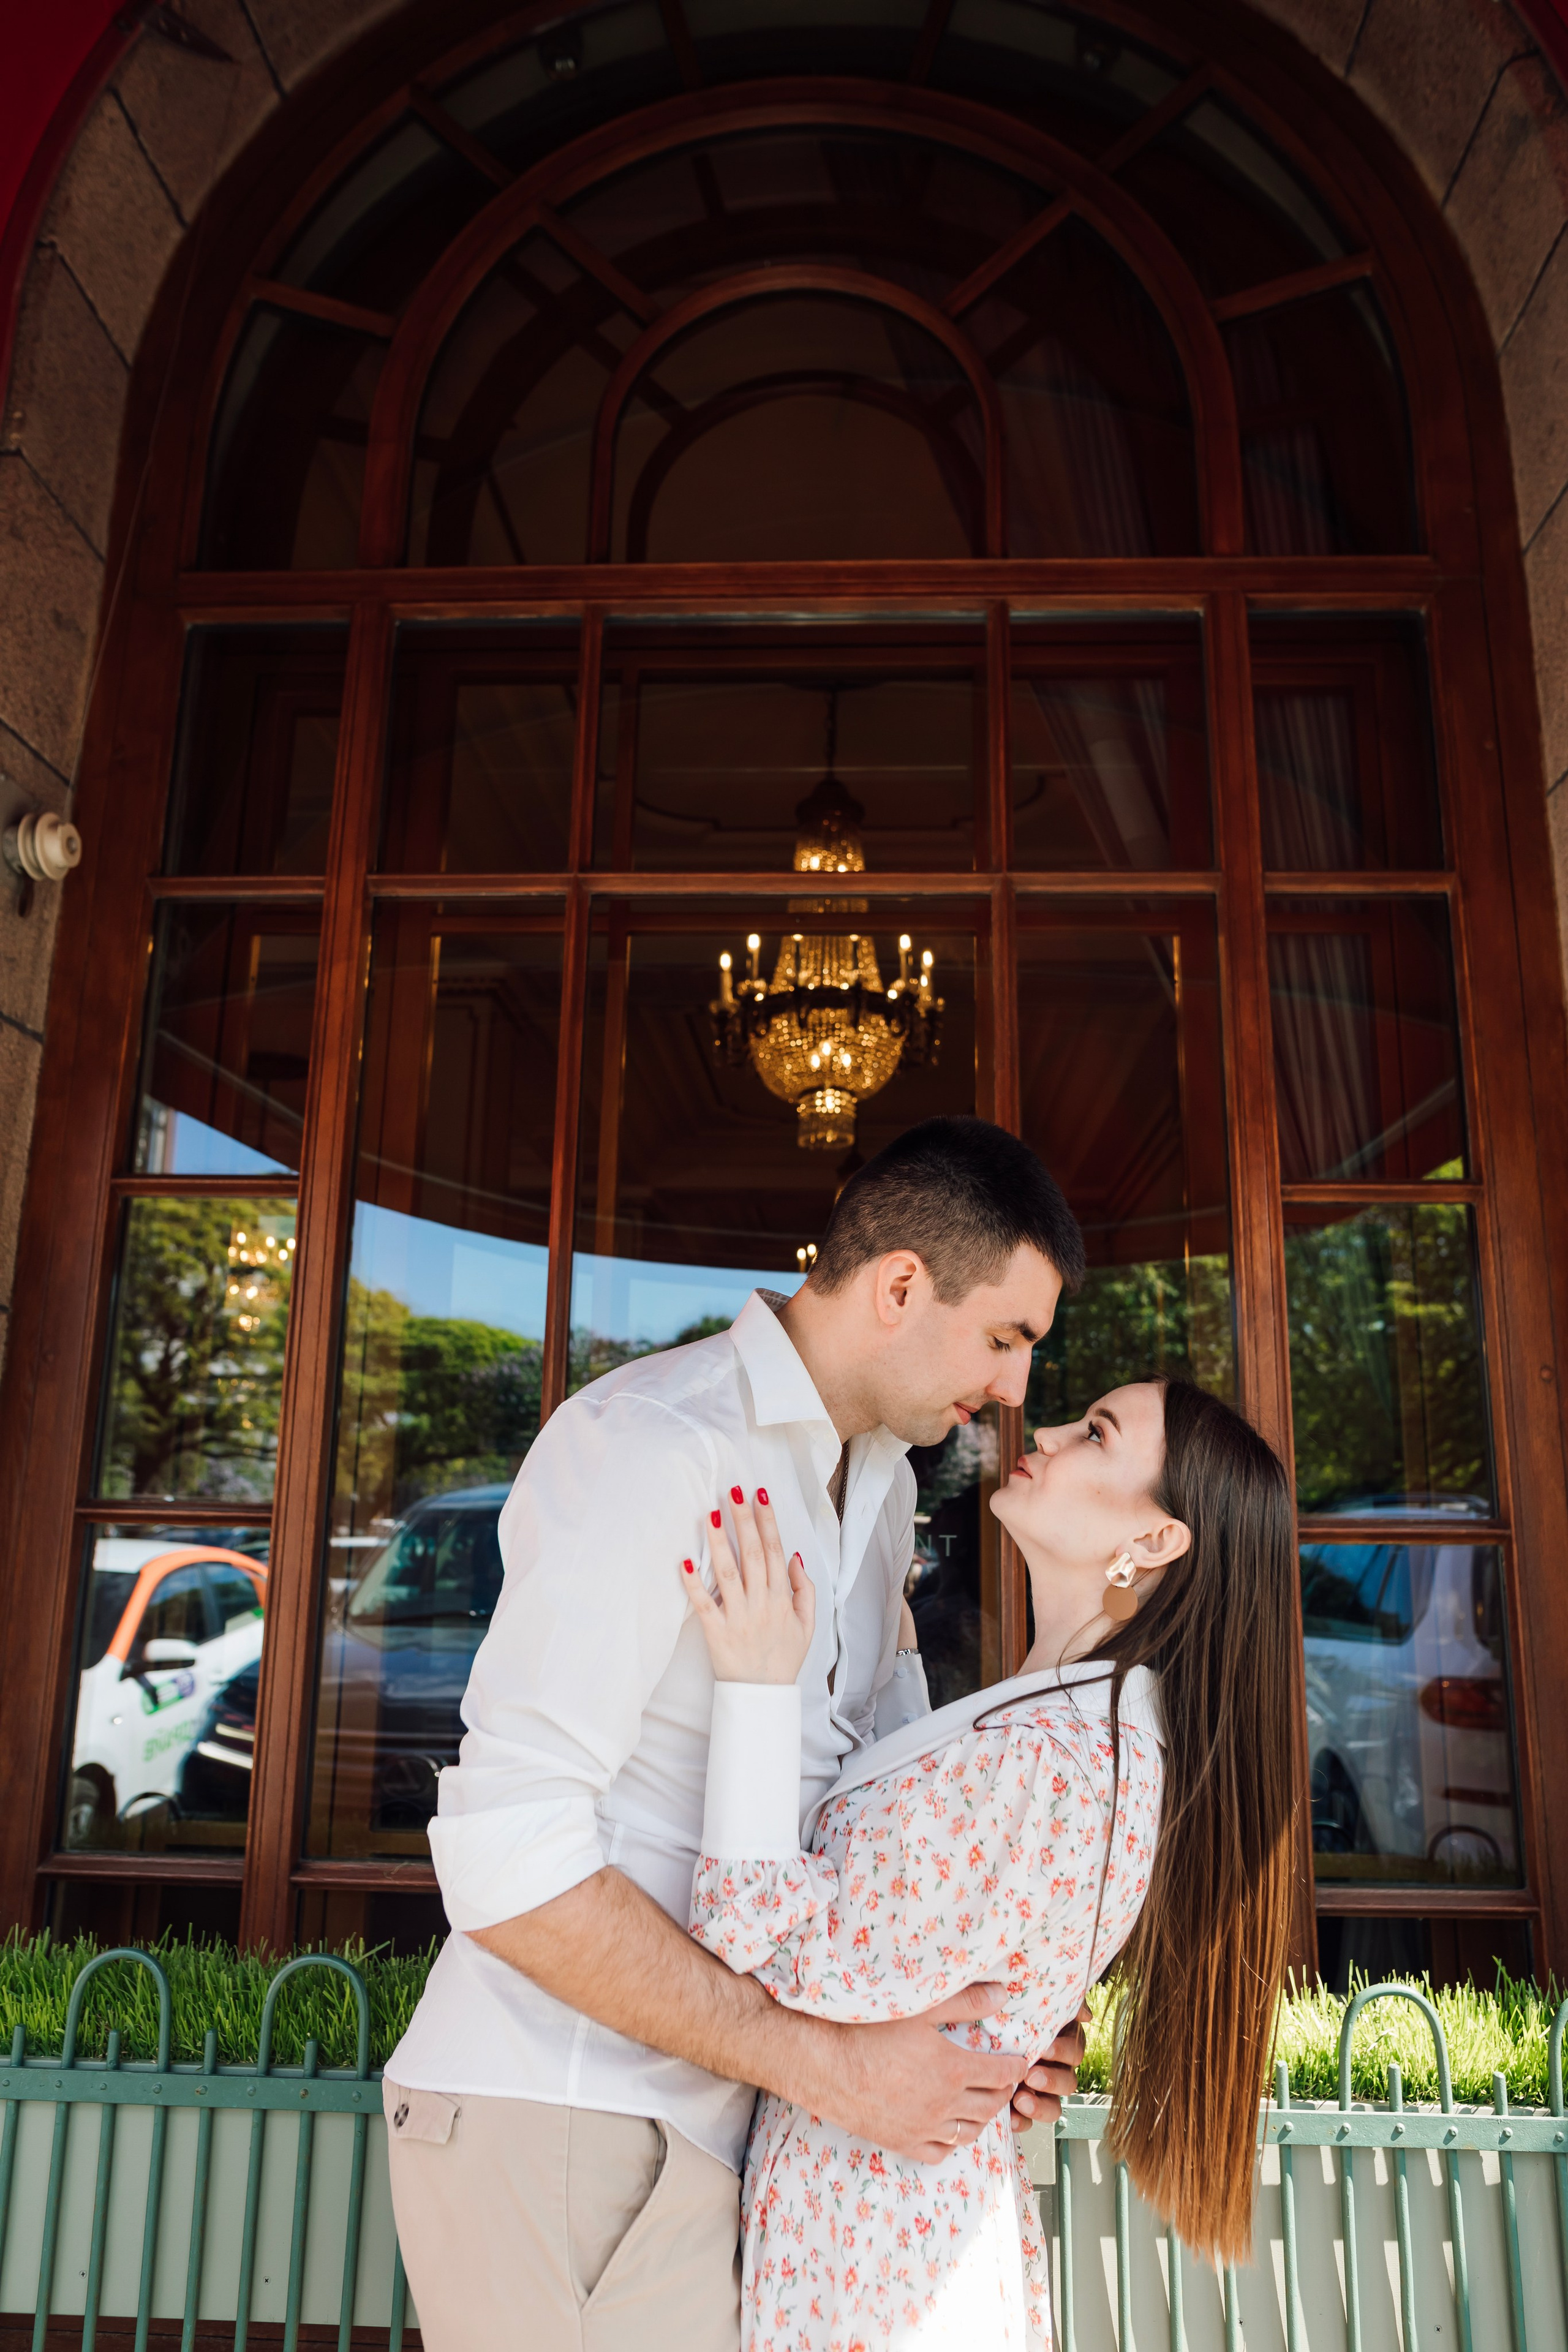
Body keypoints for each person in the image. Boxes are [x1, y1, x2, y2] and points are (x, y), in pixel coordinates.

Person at [382, 1117, 1093, 2351]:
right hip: (565, 2118)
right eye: (1002, 1338)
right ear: (900, 1286)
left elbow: (862, 1840)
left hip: (734, 2131)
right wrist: (830, 2067)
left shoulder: (877, 1486)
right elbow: (506, 1856)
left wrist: (989, 2027)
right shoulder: (654, 1445)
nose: (1014, 1391)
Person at [685, 1376, 1298, 2349]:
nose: (1046, 1430)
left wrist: (758, 1689)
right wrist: (893, 1660)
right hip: (891, 2236)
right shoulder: (1073, 1724)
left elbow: (763, 1942)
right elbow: (923, 1903)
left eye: (1097, 1434)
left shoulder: (1052, 1757)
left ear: (1153, 1542)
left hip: (871, 2261)